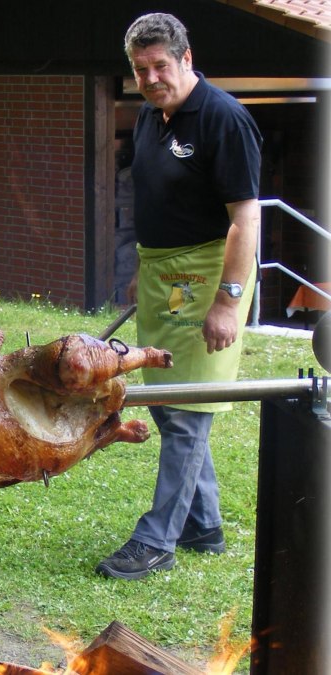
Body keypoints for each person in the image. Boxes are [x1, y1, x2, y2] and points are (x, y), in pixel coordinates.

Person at [95, 13, 262, 580]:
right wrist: (146, 267)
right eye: (140, 69)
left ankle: (156, 540)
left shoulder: (223, 118)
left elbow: (245, 219)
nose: (151, 77)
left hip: (210, 275)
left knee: (187, 411)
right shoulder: (149, 117)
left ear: (186, 59)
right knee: (168, 400)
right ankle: (204, 526)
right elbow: (158, 199)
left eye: (161, 65)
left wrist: (227, 300)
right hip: (164, 276)